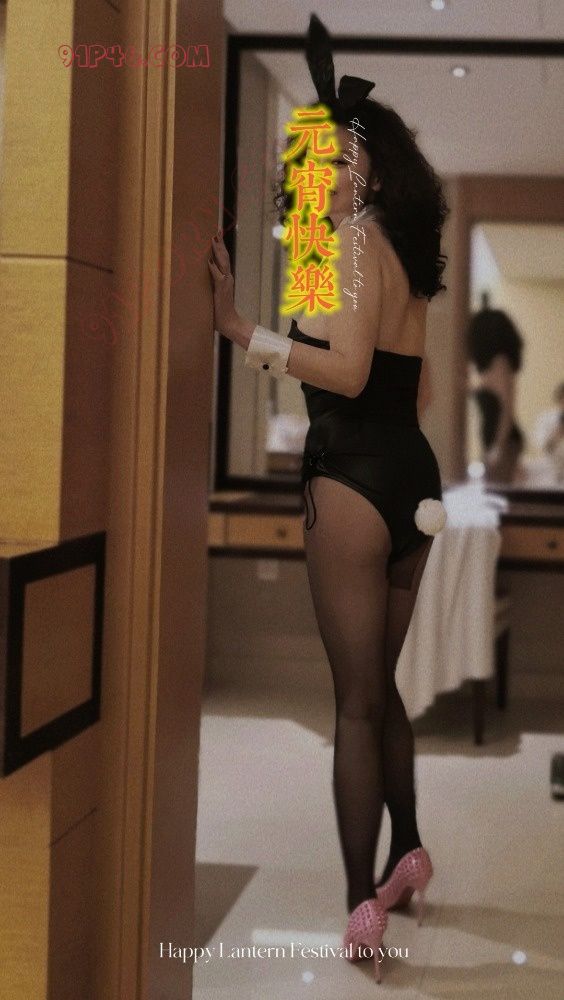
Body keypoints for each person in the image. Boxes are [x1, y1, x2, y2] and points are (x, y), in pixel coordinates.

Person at [208, 13, 448, 981]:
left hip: (352, 480)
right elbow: (416, 391)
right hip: (410, 478)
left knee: (353, 705)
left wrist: (243, 332)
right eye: (320, 156)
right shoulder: (394, 254)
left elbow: (344, 373)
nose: (329, 170)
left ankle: (361, 905)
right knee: (379, 689)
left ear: (374, 174)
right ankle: (410, 851)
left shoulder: (350, 243)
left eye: (343, 156)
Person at [467, 305, 525, 483]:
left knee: (498, 491)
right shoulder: (493, 365)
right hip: (497, 441)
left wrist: (498, 447)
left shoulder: (500, 363)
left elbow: (506, 408)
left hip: (503, 441)